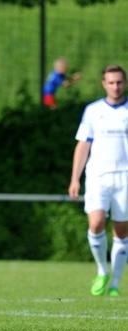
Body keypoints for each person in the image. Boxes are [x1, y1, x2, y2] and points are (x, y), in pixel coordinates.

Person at [68, 64, 128, 297]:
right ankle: (102, 270)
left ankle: (115, 283)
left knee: (122, 232)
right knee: (95, 223)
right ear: (104, 84)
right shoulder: (93, 111)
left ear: (124, 83)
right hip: (98, 176)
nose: (115, 86)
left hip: (125, 177)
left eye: (119, 82)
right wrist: (75, 178)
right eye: (111, 82)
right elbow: (83, 144)